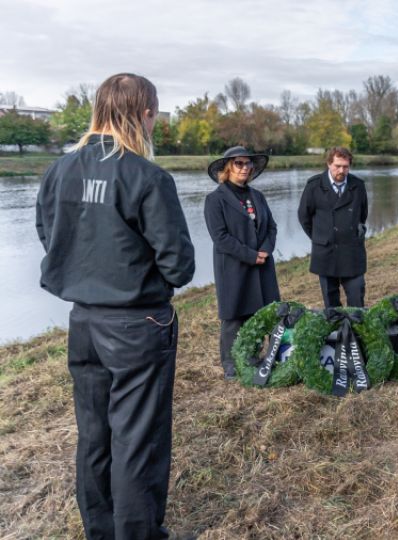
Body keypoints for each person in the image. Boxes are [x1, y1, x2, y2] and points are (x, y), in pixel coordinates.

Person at [35, 73, 194, 539]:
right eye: (155, 113)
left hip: (83, 319)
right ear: (143, 112)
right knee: (136, 437)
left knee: (95, 433)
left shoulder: (59, 171)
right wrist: (139, 280)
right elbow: (179, 263)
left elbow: (50, 237)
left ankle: (101, 532)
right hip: (136, 323)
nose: (156, 122)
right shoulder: (147, 176)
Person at [204, 146, 281, 379]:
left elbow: (271, 227)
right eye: (239, 163)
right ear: (228, 167)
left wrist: (264, 250)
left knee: (261, 314)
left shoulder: (258, 196)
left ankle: (254, 357)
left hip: (262, 266)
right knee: (234, 318)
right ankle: (230, 365)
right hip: (234, 268)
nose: (245, 168)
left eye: (248, 164)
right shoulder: (215, 199)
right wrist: (250, 255)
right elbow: (220, 237)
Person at [298, 146, 369, 308]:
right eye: (337, 166)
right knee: (331, 307)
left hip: (352, 252)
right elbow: (304, 217)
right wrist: (320, 237)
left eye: (345, 167)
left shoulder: (358, 186)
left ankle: (354, 333)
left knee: (357, 302)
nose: (341, 170)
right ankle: (337, 332)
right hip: (325, 253)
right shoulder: (314, 185)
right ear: (329, 164)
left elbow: (362, 214)